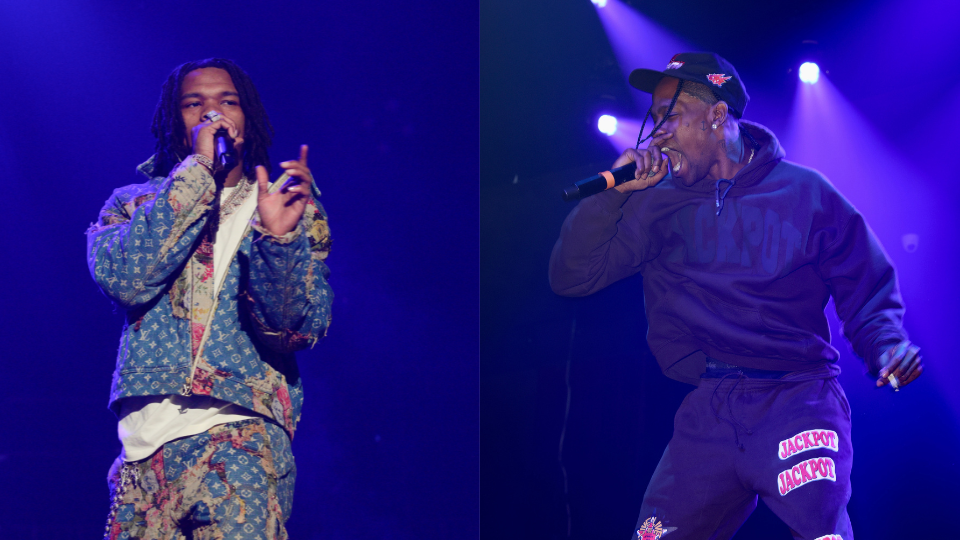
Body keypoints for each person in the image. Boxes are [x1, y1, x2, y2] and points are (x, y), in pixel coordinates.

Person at [549, 52, 922, 540]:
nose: (656, 132)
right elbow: (573, 277)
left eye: (669, 117)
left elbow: (864, 285)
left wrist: (886, 346)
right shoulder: (656, 204)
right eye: (652, 119)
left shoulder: (806, 193)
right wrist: (611, 196)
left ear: (717, 115)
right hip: (712, 404)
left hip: (799, 395)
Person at [87, 58, 333, 540]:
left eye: (228, 101)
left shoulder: (282, 205)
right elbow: (126, 280)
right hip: (143, 450)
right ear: (173, 120)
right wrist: (199, 171)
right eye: (193, 103)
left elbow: (295, 328)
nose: (212, 113)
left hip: (241, 434)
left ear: (248, 117)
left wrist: (278, 242)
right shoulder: (132, 204)